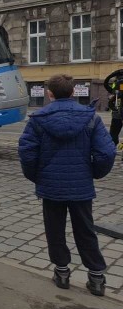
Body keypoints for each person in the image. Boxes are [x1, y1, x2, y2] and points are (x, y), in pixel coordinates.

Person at [18, 74, 116, 296]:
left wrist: (37, 176)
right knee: (86, 230)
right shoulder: (91, 118)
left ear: (49, 94)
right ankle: (96, 277)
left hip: (51, 187)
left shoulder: (38, 119)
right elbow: (106, 152)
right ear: (73, 93)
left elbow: (27, 153)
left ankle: (62, 272)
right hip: (81, 187)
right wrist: (93, 173)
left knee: (55, 230)